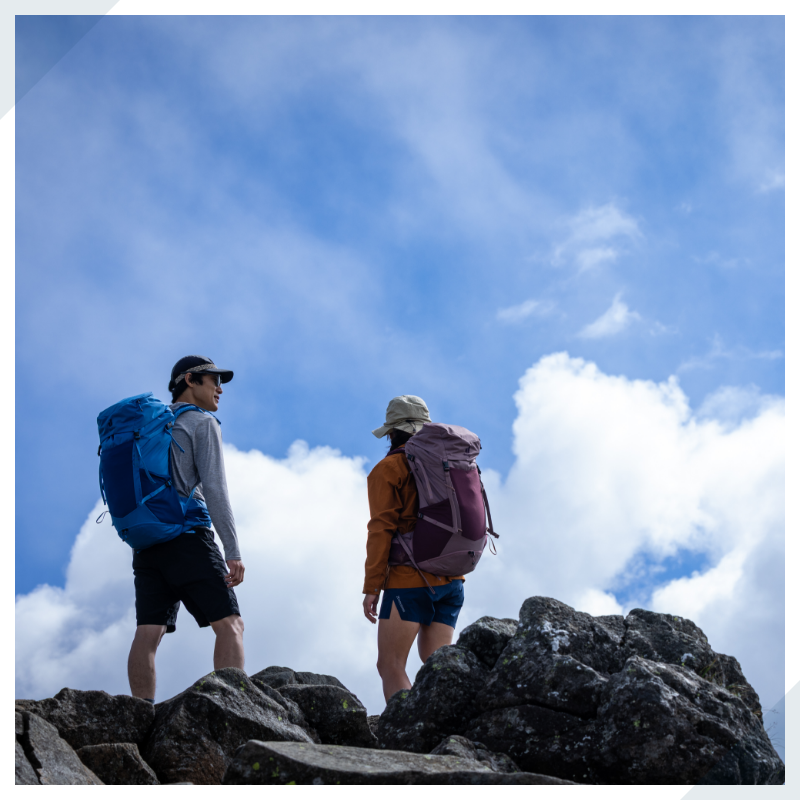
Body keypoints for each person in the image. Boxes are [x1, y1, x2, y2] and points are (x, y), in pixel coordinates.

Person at [127, 355, 245, 702]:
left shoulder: (150, 425)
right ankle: (238, 709)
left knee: (149, 633)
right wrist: (233, 550)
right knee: (230, 625)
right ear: (191, 380)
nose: (220, 389)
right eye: (214, 381)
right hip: (188, 536)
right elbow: (215, 489)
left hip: (147, 542)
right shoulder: (201, 422)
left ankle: (139, 714)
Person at [362, 395, 465, 702]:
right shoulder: (450, 465)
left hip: (409, 582)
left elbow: (381, 529)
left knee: (390, 664)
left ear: (391, 433)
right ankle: (458, 725)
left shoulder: (389, 468)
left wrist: (372, 587)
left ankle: (406, 733)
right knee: (439, 664)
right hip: (452, 580)